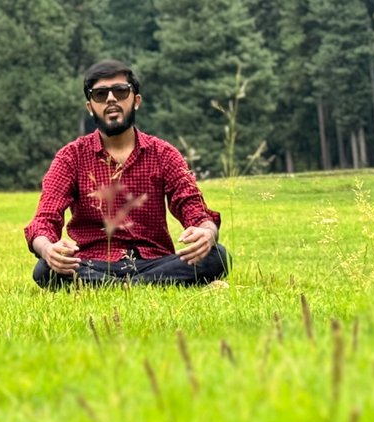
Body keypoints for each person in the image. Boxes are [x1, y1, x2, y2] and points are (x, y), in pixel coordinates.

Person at [25, 59, 229, 288]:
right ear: (90, 107)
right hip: (93, 263)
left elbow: (195, 210)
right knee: (45, 269)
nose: (111, 99)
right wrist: (49, 249)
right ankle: (147, 285)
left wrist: (207, 234)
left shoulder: (164, 153)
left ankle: (116, 286)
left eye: (121, 91)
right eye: (100, 94)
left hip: (154, 261)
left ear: (136, 101)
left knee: (217, 256)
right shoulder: (71, 157)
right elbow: (43, 221)